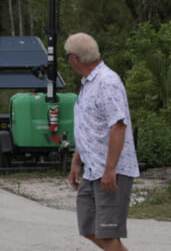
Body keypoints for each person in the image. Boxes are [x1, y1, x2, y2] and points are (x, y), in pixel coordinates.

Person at [64, 32, 140, 251]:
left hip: (109, 170)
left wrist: (110, 169)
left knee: (107, 233)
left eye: (68, 55)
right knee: (89, 227)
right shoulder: (88, 83)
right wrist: (76, 161)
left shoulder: (107, 82)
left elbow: (118, 126)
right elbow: (88, 127)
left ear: (74, 58)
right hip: (92, 169)